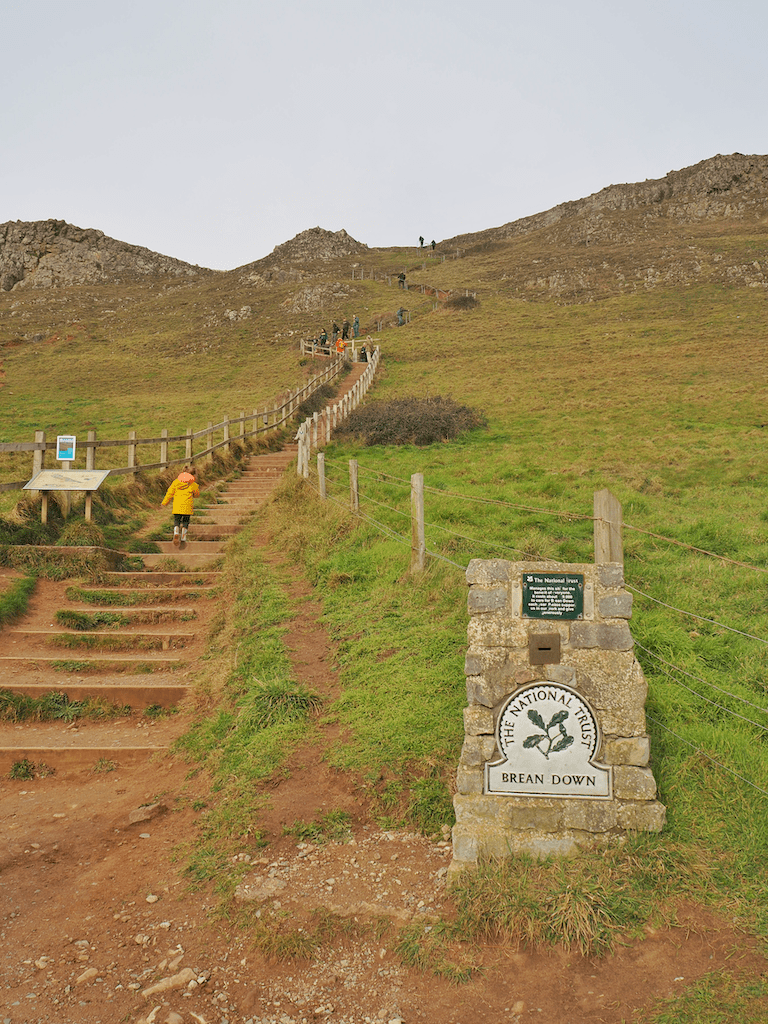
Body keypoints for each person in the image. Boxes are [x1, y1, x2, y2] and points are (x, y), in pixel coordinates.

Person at [161, 467, 199, 546]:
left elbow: (169, 493)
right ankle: (183, 536)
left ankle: (176, 532)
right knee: (186, 521)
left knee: (177, 521)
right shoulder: (193, 484)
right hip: (187, 507)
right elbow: (196, 495)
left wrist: (164, 503)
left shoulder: (176, 482)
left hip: (177, 506)